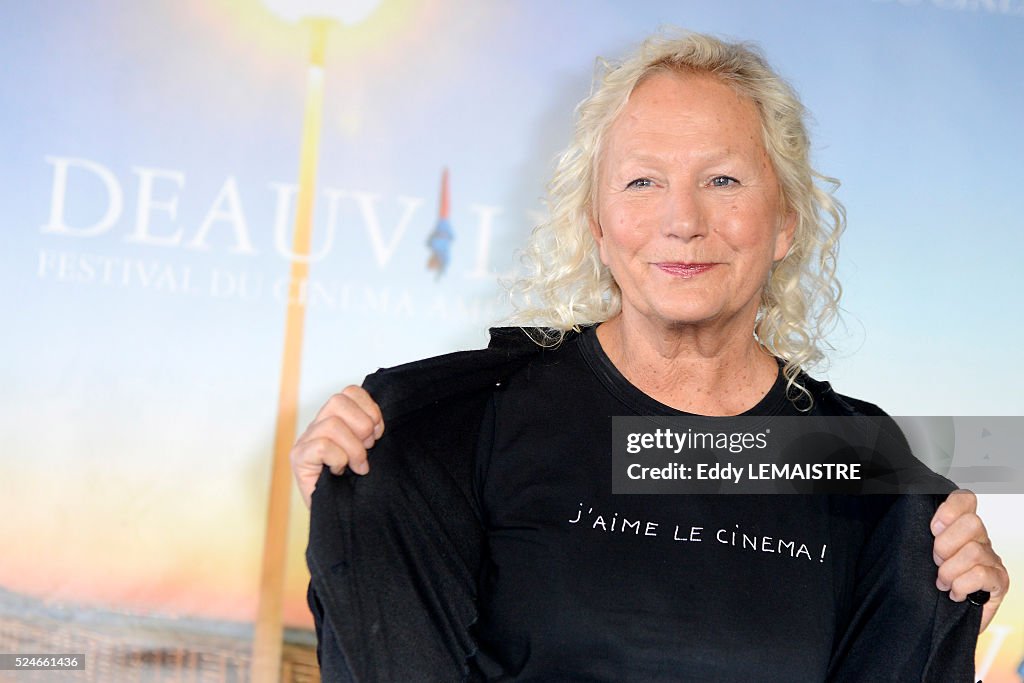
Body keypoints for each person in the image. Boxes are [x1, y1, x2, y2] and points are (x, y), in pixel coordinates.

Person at [295, 31, 1009, 681]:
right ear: (599, 227)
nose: (684, 221)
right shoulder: (473, 427)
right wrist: (357, 502)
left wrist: (944, 603)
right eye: (644, 181)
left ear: (785, 222)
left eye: (723, 180)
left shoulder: (861, 467)